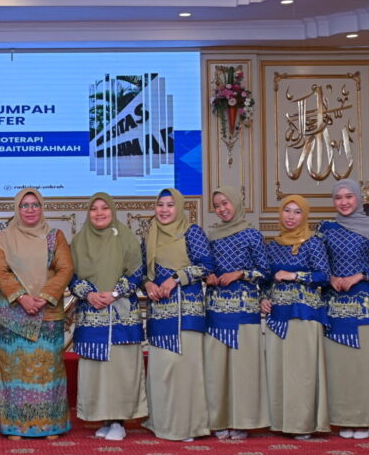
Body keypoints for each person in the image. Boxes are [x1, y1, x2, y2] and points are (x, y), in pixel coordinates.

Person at [0, 188, 74, 440]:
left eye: (35, 205)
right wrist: (22, 297)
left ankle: (51, 425)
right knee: (14, 373)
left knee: (48, 373)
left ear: (42, 208)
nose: (30, 210)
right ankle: (15, 426)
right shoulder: (4, 238)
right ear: (17, 209)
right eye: (24, 205)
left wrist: (44, 297)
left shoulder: (54, 236)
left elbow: (65, 269)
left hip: (47, 314)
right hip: (14, 317)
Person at [319, 180, 369, 439]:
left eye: (349, 196)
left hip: (365, 306)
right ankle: (342, 418)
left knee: (363, 365)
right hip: (333, 305)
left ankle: (364, 419)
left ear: (359, 198)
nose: (343, 202)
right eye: (338, 197)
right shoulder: (325, 228)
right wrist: (329, 277)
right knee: (339, 365)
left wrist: (360, 275)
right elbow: (317, 263)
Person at [70, 192, 147, 441]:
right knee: (98, 371)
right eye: (94, 209)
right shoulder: (79, 241)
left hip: (120, 315)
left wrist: (114, 293)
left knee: (119, 370)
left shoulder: (126, 237)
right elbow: (71, 276)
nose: (99, 213)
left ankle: (119, 421)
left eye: (104, 208)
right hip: (92, 314)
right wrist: (90, 294)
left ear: (112, 211)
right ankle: (105, 419)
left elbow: (137, 272)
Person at [141, 188, 213, 442]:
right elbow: (143, 271)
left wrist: (176, 278)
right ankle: (162, 423)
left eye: (170, 205)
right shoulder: (150, 234)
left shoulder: (191, 232)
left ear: (179, 207)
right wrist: (147, 284)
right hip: (160, 312)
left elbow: (206, 266)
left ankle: (187, 426)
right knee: (162, 369)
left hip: (187, 312)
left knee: (184, 371)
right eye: (160, 205)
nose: (164, 210)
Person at [261, 195, 330, 440]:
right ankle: (280, 421)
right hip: (277, 316)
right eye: (287, 210)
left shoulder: (313, 242)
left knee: (301, 372)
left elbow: (323, 276)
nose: (291, 216)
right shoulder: (273, 246)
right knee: (278, 370)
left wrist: (293, 275)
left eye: (297, 212)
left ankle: (302, 423)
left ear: (305, 215)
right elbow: (266, 279)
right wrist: (263, 298)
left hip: (304, 315)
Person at [204, 186, 269, 441]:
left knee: (243, 371)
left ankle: (242, 421)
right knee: (216, 371)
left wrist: (241, 273)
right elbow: (203, 266)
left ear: (236, 203)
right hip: (216, 311)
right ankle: (219, 420)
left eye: (226, 203)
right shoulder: (211, 235)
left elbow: (265, 272)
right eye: (217, 205)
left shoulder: (252, 235)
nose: (222, 209)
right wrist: (208, 275)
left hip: (244, 312)